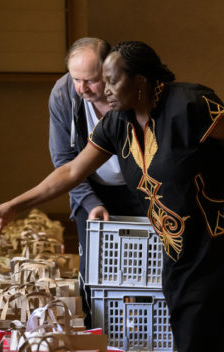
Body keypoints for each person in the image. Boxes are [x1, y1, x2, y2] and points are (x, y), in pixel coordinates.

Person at [0, 41, 224, 352]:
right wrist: (13, 206)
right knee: (186, 290)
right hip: (173, 224)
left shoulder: (191, 103)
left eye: (112, 82)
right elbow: (70, 171)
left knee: (188, 291)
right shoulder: (117, 122)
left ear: (141, 82)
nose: (106, 91)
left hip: (216, 216)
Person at [49, 37, 147, 327]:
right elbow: (65, 161)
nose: (82, 88)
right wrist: (91, 203)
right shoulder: (64, 94)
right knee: (95, 273)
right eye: (75, 78)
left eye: (90, 80)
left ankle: (151, 343)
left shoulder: (130, 89)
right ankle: (102, 346)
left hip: (140, 186)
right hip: (91, 187)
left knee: (146, 269)